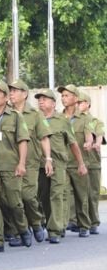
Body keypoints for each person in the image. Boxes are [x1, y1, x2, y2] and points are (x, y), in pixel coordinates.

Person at [0, 80, 31, 253]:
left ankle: (23, 227)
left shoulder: (16, 116)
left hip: (10, 165)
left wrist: (21, 163)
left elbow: (23, 141)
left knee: (14, 202)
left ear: (5, 98)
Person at [35, 89, 87, 243]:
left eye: (44, 99)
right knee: (43, 197)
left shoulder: (62, 120)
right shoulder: (35, 119)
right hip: (39, 164)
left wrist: (81, 163)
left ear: (53, 103)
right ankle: (53, 222)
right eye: (39, 99)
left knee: (56, 194)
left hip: (58, 164)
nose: (41, 102)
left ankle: (55, 230)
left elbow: (73, 143)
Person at [8, 80, 53, 244]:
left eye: (15, 90)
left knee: (27, 195)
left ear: (24, 94)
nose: (11, 93)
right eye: (10, 90)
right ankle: (22, 231)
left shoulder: (35, 115)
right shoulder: (6, 113)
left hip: (31, 163)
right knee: (13, 198)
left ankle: (36, 222)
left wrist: (48, 159)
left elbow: (44, 138)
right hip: (10, 162)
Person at [58, 84, 93, 237]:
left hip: (79, 163)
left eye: (67, 95)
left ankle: (84, 225)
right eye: (62, 95)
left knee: (81, 195)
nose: (63, 98)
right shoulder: (58, 117)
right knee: (62, 194)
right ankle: (62, 225)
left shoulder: (85, 118)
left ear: (76, 98)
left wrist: (88, 142)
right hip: (62, 163)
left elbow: (89, 134)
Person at [75, 91, 102, 234]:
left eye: (80, 103)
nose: (78, 105)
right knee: (80, 194)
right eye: (77, 103)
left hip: (92, 163)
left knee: (92, 193)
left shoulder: (95, 121)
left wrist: (96, 143)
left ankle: (94, 222)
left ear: (88, 104)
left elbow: (100, 135)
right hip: (77, 162)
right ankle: (81, 223)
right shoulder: (72, 120)